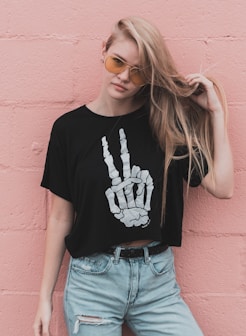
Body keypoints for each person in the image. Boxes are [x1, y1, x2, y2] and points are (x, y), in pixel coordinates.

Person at [33, 16, 233, 336]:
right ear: (104, 52)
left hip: (158, 284)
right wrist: (44, 298)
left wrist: (216, 113)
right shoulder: (68, 130)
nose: (124, 77)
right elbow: (59, 218)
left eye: (138, 71)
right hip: (93, 284)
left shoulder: (165, 122)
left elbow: (223, 187)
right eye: (117, 62)